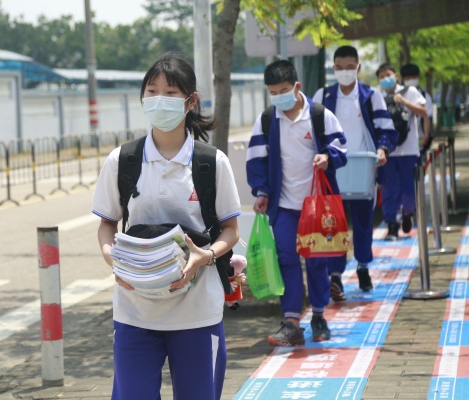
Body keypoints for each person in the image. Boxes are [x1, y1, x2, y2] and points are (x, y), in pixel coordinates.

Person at [92, 52, 241, 400]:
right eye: (152, 91)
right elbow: (107, 223)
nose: (160, 99)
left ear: (190, 101)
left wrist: (205, 256)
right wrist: (112, 258)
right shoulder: (122, 160)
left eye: (171, 92)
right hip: (134, 310)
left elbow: (231, 230)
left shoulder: (211, 162)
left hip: (197, 312)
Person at [246, 60, 347, 347]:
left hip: (317, 208)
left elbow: (341, 147)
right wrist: (261, 192)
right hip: (284, 206)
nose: (279, 96)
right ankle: (291, 323)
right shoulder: (267, 120)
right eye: (273, 92)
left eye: (284, 90)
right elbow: (256, 159)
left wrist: (328, 157)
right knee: (287, 260)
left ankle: (318, 316)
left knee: (316, 262)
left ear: (297, 86)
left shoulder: (320, 115)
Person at [312, 45, 398, 302]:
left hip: (363, 168)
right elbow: (313, 131)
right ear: (334, 68)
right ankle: (335, 274)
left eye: (350, 67)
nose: (345, 72)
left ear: (358, 67)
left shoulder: (371, 96)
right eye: (340, 68)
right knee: (333, 223)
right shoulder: (323, 96)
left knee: (362, 222)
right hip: (333, 169)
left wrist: (383, 149)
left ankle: (362, 266)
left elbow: (386, 129)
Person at [376, 63, 427, 240]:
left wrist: (404, 102)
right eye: (382, 77)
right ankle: (391, 224)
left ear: (396, 76)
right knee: (388, 189)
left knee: (408, 189)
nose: (386, 79)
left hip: (408, 151)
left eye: (388, 75)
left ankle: (407, 213)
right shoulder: (378, 97)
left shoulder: (409, 92)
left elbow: (424, 112)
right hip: (387, 152)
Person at [400, 63, 434, 158]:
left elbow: (427, 117)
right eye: (407, 78)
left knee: (418, 164)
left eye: (413, 77)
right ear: (403, 79)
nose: (410, 80)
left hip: (419, 138)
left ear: (418, 77)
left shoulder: (425, 96)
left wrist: (426, 136)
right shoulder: (399, 95)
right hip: (402, 139)